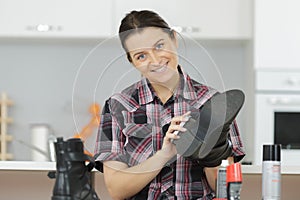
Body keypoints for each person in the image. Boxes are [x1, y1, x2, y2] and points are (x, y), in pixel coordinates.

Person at [94, 10, 245, 200]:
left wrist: (213, 150)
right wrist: (165, 154)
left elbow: (227, 190)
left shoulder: (213, 102)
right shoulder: (118, 106)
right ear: (132, 62)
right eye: (141, 56)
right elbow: (116, 189)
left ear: (174, 38)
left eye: (159, 46)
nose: (155, 61)